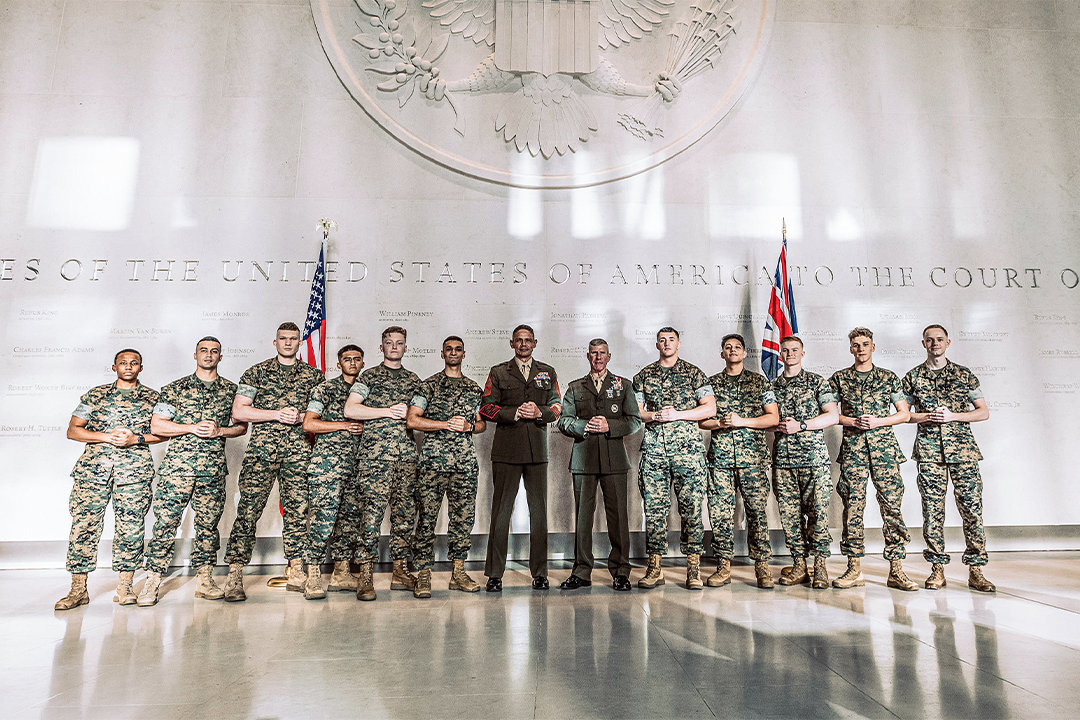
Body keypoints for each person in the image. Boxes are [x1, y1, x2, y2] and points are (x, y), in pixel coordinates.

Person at [139, 337, 248, 606]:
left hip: (211, 472)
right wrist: (190, 427)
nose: (208, 355)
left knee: (208, 527)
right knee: (165, 524)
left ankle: (205, 579)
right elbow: (158, 426)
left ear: (221, 357)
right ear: (195, 355)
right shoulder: (175, 389)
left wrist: (220, 431)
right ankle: (152, 580)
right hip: (177, 470)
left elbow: (242, 427)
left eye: (214, 351)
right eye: (203, 351)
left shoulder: (230, 391)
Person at [222, 322, 324, 602]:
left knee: (297, 513)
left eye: (293, 339)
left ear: (300, 343)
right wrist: (276, 414)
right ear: (274, 342)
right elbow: (239, 411)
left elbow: (319, 415)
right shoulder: (256, 372)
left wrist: (300, 417)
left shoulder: (313, 376)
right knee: (248, 513)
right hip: (261, 454)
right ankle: (234, 573)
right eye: (283, 338)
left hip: (299, 454)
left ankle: (297, 569)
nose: (288, 343)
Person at [54, 349, 163, 610]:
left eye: (134, 363)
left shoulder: (153, 398)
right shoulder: (95, 395)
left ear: (141, 367)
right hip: (93, 472)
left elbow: (162, 433)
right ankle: (78, 589)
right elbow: (73, 430)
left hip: (133, 473)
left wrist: (134, 439)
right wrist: (105, 436)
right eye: (123, 363)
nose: (128, 366)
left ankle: (125, 586)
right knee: (84, 527)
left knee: (131, 529)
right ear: (114, 367)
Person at [902, 324, 994, 592]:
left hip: (963, 452)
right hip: (930, 453)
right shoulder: (913, 377)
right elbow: (905, 414)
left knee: (972, 510)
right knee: (932, 511)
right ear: (923, 344)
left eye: (939, 339)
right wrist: (927, 416)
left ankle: (976, 570)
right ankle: (937, 569)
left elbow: (983, 412)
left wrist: (954, 416)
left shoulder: (964, 375)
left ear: (948, 342)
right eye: (929, 340)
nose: (935, 344)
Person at [829, 327, 917, 591]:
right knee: (853, 509)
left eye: (865, 344)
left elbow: (904, 414)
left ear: (873, 347)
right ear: (850, 349)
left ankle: (897, 569)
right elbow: (832, 414)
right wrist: (852, 420)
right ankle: (854, 568)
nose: (861, 349)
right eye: (855, 345)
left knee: (892, 508)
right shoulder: (840, 378)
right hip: (854, 450)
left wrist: (879, 421)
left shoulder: (888, 378)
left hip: (884, 451)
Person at [479, 324, 562, 592]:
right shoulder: (498, 371)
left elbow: (557, 406)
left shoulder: (547, 372)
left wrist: (539, 412)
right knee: (501, 512)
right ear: (512, 343)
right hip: (506, 451)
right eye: (519, 340)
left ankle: (539, 572)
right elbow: (487, 407)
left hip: (537, 451)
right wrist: (516, 412)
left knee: (539, 513)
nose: (523, 344)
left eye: (528, 340)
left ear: (535, 343)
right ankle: (494, 574)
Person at [633, 327, 716, 590]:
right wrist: (653, 416)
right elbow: (637, 412)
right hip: (655, 451)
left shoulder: (694, 373)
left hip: (688, 453)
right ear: (656, 344)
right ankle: (655, 567)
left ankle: (693, 568)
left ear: (679, 343)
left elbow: (710, 408)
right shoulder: (643, 375)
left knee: (691, 509)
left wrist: (678, 414)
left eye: (671, 340)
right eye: (662, 340)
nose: (666, 344)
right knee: (655, 511)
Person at [556, 339, 642, 592]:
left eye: (602, 353)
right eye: (594, 353)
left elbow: (634, 421)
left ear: (609, 356)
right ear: (588, 356)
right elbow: (564, 422)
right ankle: (581, 571)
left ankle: (621, 571)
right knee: (583, 518)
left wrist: (609, 426)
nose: (598, 357)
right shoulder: (575, 387)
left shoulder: (623, 385)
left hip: (614, 459)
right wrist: (584, 426)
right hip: (584, 460)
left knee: (618, 518)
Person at [344, 326, 422, 601]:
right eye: (389, 343)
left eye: (399, 343)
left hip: (405, 458)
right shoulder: (369, 376)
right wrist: (386, 412)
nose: (394, 347)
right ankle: (366, 573)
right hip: (375, 458)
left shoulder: (414, 380)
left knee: (404, 516)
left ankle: (400, 571)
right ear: (382, 347)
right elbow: (350, 409)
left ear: (405, 347)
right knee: (371, 516)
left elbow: (421, 414)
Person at [406, 336, 486, 598]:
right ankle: (423, 574)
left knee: (463, 520)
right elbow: (412, 420)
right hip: (432, 464)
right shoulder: (428, 385)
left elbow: (481, 424)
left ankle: (458, 572)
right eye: (449, 349)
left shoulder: (474, 388)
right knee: (427, 519)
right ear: (442, 354)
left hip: (464, 465)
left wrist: (469, 427)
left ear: (464, 354)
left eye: (458, 350)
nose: (454, 353)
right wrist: (443, 424)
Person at [699, 334, 779, 589]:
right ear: (722, 353)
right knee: (720, 514)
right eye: (727, 347)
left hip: (753, 460)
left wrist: (744, 421)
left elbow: (773, 419)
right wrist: (719, 423)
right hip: (721, 460)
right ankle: (723, 566)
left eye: (737, 347)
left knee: (757, 513)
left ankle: (761, 566)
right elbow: (702, 421)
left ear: (745, 353)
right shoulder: (710, 384)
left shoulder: (759, 383)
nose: (732, 350)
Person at [771, 336, 838, 589]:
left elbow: (832, 415)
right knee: (790, 516)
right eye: (786, 350)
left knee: (818, 514)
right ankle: (799, 564)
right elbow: (767, 418)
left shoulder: (816, 382)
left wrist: (801, 425)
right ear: (780, 354)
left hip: (813, 460)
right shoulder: (772, 385)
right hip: (783, 461)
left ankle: (820, 565)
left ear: (803, 353)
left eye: (795, 350)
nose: (790, 354)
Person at [300, 345, 365, 600]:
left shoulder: (366, 391)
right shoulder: (325, 389)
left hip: (357, 466)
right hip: (327, 466)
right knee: (322, 521)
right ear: (339, 364)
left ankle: (341, 572)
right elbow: (309, 423)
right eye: (346, 359)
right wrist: (344, 425)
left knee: (349, 521)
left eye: (356, 359)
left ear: (362, 363)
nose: (352, 363)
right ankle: (313, 575)